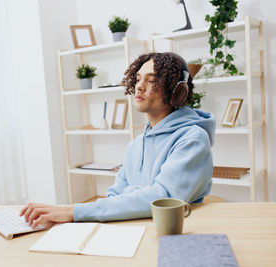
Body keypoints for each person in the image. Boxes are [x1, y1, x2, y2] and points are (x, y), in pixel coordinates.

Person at [20, 52, 215, 228]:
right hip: (130, 231)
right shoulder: (135, 145)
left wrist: (73, 212)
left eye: (152, 80)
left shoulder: (192, 139)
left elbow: (161, 198)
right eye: (138, 79)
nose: (139, 86)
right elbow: (115, 195)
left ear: (178, 91)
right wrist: (134, 198)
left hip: (173, 237)